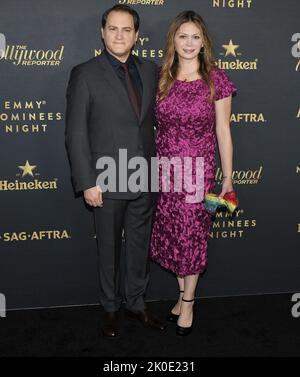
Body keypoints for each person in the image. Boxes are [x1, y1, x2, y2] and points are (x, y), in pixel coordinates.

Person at [65, 4, 166, 338]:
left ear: (136, 35)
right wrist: (87, 182)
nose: (119, 35)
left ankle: (136, 304)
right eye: (113, 28)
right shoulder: (85, 73)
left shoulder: (152, 70)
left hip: (145, 175)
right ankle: (110, 309)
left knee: (139, 247)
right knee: (108, 248)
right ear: (102, 32)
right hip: (106, 179)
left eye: (126, 29)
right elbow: (76, 132)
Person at [150, 10, 237, 336]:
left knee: (192, 236)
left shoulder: (216, 79)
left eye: (195, 37)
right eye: (182, 36)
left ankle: (188, 302)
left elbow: (223, 131)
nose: (188, 43)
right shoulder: (162, 77)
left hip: (198, 172)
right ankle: (182, 295)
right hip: (167, 172)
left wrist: (227, 178)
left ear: (204, 42)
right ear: (173, 39)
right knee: (175, 236)